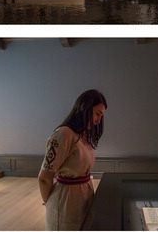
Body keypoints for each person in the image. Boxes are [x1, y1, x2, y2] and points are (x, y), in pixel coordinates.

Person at [39, 89, 107, 231]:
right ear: (84, 107)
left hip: (83, 196)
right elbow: (44, 178)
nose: (98, 120)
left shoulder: (82, 136)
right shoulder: (63, 134)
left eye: (101, 116)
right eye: (97, 114)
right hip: (66, 200)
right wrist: (49, 202)